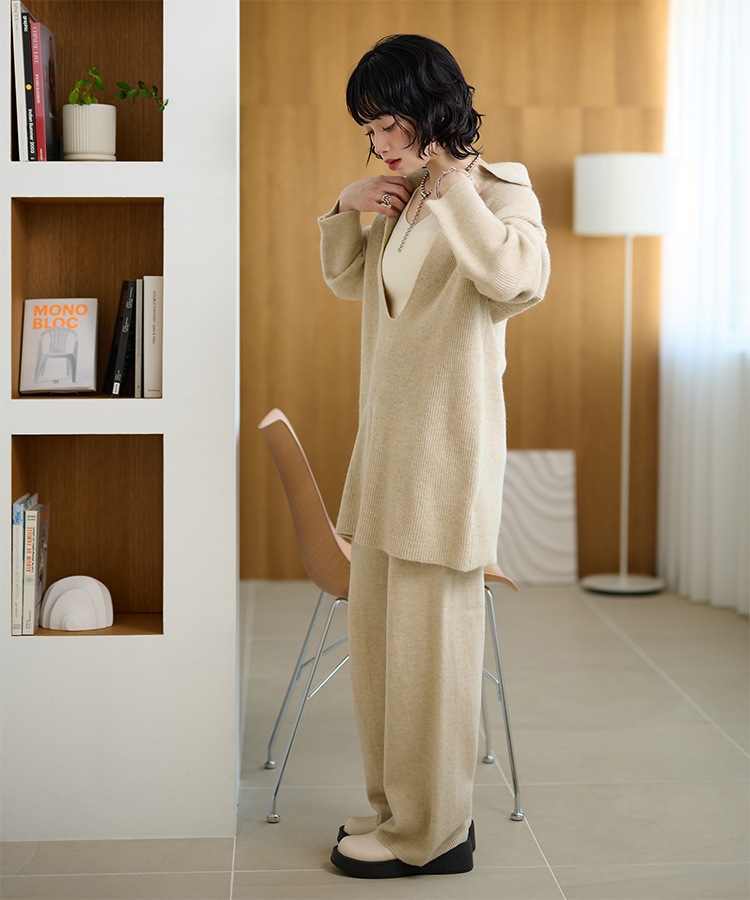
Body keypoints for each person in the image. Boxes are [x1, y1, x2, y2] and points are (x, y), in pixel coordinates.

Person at [318, 34, 550, 879]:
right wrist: (347, 205)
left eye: (389, 123)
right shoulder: (403, 197)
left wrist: (453, 186)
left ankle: (434, 833)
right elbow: (353, 284)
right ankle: (398, 809)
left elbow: (518, 279)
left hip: (445, 462)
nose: (379, 142)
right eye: (369, 129)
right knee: (385, 659)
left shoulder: (499, 191)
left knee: (433, 664)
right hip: (385, 458)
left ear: (432, 108)